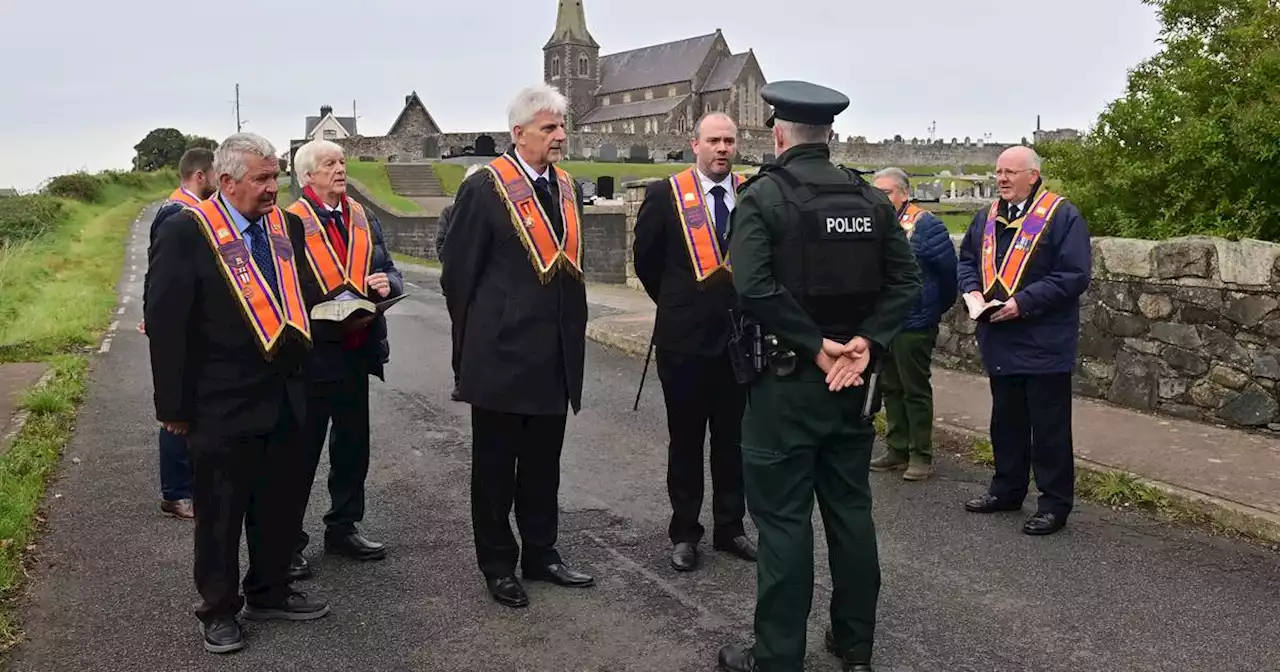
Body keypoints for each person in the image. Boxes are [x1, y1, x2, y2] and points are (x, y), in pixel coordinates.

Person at [716, 81, 921, 672]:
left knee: (782, 522)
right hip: (852, 385)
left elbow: (753, 285)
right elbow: (905, 283)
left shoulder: (764, 197)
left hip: (787, 386)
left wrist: (814, 346)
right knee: (851, 514)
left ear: (779, 134)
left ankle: (778, 656)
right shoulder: (870, 198)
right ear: (828, 135)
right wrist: (864, 343)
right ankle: (855, 646)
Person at [146, 133, 331, 654]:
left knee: (280, 505)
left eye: (277, 177)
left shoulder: (285, 226)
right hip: (220, 401)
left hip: (287, 393)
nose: (275, 188)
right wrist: (173, 409)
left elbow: (298, 296)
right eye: (263, 179)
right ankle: (219, 609)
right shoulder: (188, 231)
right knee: (221, 513)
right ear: (226, 182)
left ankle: (270, 589)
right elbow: (167, 323)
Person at [441, 84, 593, 609]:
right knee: (495, 468)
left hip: (555, 355)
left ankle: (542, 553)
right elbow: (458, 274)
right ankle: (498, 563)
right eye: (549, 128)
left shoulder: (569, 186)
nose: (559, 136)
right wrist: (473, 346)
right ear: (519, 132)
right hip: (501, 355)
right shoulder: (485, 188)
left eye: (561, 127)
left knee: (543, 465)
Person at [632, 111, 756, 572]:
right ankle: (685, 532)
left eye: (729, 140)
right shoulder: (666, 194)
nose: (722, 148)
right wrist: (680, 304)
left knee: (733, 440)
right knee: (685, 440)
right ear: (695, 144)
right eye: (714, 141)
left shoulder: (750, 193)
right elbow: (646, 260)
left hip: (739, 341)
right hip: (683, 342)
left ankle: (731, 528)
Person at [956, 145, 1091, 536]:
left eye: (1010, 172)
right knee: (1007, 422)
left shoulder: (1061, 215)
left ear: (1033, 175)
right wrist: (972, 293)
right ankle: (1007, 489)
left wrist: (1022, 303)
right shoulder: (987, 217)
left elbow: (1073, 276)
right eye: (998, 172)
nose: (1001, 179)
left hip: (1043, 339)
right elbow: (967, 262)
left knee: (1049, 429)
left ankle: (1054, 504)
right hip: (999, 336)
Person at [284, 139, 403, 577]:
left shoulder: (362, 216)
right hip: (312, 356)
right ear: (306, 177)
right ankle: (287, 540)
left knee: (353, 447)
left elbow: (390, 269)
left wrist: (388, 282)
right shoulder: (288, 222)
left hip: (358, 351)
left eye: (341, 161)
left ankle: (344, 526)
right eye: (329, 163)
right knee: (300, 453)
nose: (340, 169)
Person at [867, 167, 958, 481]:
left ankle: (921, 454)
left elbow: (948, 276)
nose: (881, 199)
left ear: (904, 194)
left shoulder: (926, 226)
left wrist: (931, 310)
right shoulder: (875, 223)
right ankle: (897, 447)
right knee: (890, 386)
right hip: (884, 323)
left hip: (915, 321)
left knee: (914, 389)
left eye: (887, 193)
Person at [141, 147, 217, 520]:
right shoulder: (177, 213)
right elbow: (161, 271)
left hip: (186, 320)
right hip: (179, 324)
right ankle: (175, 491)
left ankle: (186, 487)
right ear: (201, 176)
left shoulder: (182, 209)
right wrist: (152, 317)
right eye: (216, 173)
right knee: (178, 403)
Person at [437, 164, 482, 403]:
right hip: (459, 285)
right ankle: (460, 380)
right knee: (461, 332)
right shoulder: (450, 212)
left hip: (486, 286)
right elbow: (442, 247)